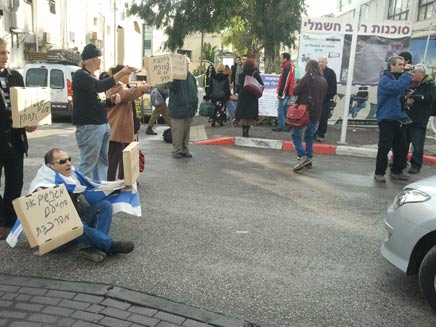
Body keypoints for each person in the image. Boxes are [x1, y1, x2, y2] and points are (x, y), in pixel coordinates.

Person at [26, 148, 136, 262]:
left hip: (74, 224)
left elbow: (94, 187)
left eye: (69, 159)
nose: (68, 163)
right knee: (75, 223)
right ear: (50, 166)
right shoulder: (43, 184)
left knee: (105, 206)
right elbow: (33, 212)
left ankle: (94, 248)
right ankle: (110, 245)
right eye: (62, 161)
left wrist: (120, 186)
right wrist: (40, 195)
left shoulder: (71, 176)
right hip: (56, 239)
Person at [72, 43, 136, 180]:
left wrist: (111, 101)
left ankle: (99, 190)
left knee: (102, 162)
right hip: (90, 126)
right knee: (88, 163)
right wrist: (122, 73)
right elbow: (99, 86)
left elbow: (99, 99)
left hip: (101, 125)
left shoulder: (91, 77)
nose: (101, 60)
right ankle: (81, 194)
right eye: (100, 58)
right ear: (95, 59)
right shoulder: (81, 75)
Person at [0, 38, 37, 240]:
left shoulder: (16, 76)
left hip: (16, 139)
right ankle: (1, 221)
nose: (5, 57)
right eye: (1, 53)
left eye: (6, 53)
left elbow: (27, 106)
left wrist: (31, 121)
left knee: (15, 183)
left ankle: (11, 221)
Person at [106, 65, 151, 181]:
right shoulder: (114, 86)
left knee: (125, 159)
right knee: (114, 160)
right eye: (127, 74)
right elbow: (126, 95)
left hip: (124, 129)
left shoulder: (125, 86)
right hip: (116, 130)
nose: (130, 76)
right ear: (119, 75)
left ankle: (122, 182)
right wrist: (141, 88)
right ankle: (111, 184)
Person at [374, 56, 413, 182]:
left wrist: (407, 100)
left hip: (399, 117)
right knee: (384, 147)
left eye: (403, 64)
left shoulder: (400, 79)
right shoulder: (385, 80)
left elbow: (399, 95)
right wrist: (407, 74)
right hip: (387, 118)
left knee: (401, 146)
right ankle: (379, 172)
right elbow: (395, 88)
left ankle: (397, 171)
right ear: (392, 66)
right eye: (400, 64)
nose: (402, 66)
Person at [291, 60, 327, 171]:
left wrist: (297, 85)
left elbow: (295, 91)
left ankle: (302, 156)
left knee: (296, 134)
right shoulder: (323, 80)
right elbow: (324, 96)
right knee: (309, 136)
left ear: (308, 67)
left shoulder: (306, 78)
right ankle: (309, 157)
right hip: (317, 112)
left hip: (304, 112)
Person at [403, 65, 436, 174]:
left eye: (415, 72)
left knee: (417, 144)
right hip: (407, 116)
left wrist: (415, 96)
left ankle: (416, 165)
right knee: (403, 142)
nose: (412, 74)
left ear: (421, 73)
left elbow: (429, 98)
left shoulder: (430, 85)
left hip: (420, 119)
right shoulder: (410, 83)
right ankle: (401, 162)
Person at [168, 57, 198, 159]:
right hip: (177, 109)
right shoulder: (174, 77)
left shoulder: (191, 77)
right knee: (178, 132)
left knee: (186, 132)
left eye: (188, 63)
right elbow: (171, 88)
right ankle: (178, 150)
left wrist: (195, 105)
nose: (187, 65)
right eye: (185, 63)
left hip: (189, 109)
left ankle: (185, 149)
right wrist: (176, 78)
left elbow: (194, 92)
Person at [234, 60, 264, 137]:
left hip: (243, 96)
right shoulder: (255, 74)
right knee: (250, 115)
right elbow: (261, 83)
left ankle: (243, 130)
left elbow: (239, 85)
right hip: (252, 96)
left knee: (243, 114)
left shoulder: (241, 75)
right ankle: (247, 131)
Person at [315, 56, 337, 142]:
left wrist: (326, 97)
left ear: (326, 62)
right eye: (319, 61)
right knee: (313, 118)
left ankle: (321, 135)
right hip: (315, 100)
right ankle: (313, 134)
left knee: (323, 118)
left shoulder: (331, 73)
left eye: (322, 62)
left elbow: (333, 88)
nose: (320, 63)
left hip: (325, 101)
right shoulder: (314, 72)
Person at [273, 52, 295, 132]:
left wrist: (280, 93)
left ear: (285, 59)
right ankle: (289, 125)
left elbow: (285, 81)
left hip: (285, 91)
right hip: (287, 91)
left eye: (281, 58)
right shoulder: (288, 66)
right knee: (285, 109)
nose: (280, 59)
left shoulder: (287, 67)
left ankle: (281, 125)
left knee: (281, 109)